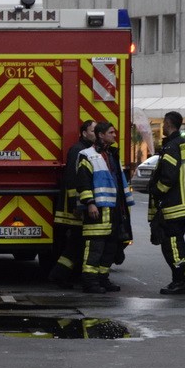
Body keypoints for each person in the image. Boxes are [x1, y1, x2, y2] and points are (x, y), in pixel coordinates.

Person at [75, 122, 134, 294]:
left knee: (111, 248)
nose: (115, 135)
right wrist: (90, 203)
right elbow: (83, 181)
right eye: (111, 133)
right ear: (101, 135)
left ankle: (103, 279)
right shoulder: (86, 155)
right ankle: (90, 282)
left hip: (115, 210)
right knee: (95, 248)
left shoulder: (112, 155)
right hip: (98, 211)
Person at [148, 111, 185, 294]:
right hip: (183, 202)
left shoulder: (172, 147)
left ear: (168, 123)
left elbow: (168, 177)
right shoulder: (184, 144)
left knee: (172, 245)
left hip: (173, 204)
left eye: (164, 123)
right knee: (177, 243)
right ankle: (183, 279)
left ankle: (180, 281)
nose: (163, 126)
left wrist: (157, 193)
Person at [50, 120, 96, 288]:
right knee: (76, 243)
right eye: (93, 131)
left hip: (80, 205)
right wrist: (75, 205)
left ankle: (60, 274)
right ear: (84, 133)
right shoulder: (78, 150)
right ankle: (59, 275)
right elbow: (72, 179)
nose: (95, 133)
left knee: (76, 243)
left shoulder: (87, 150)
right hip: (76, 207)